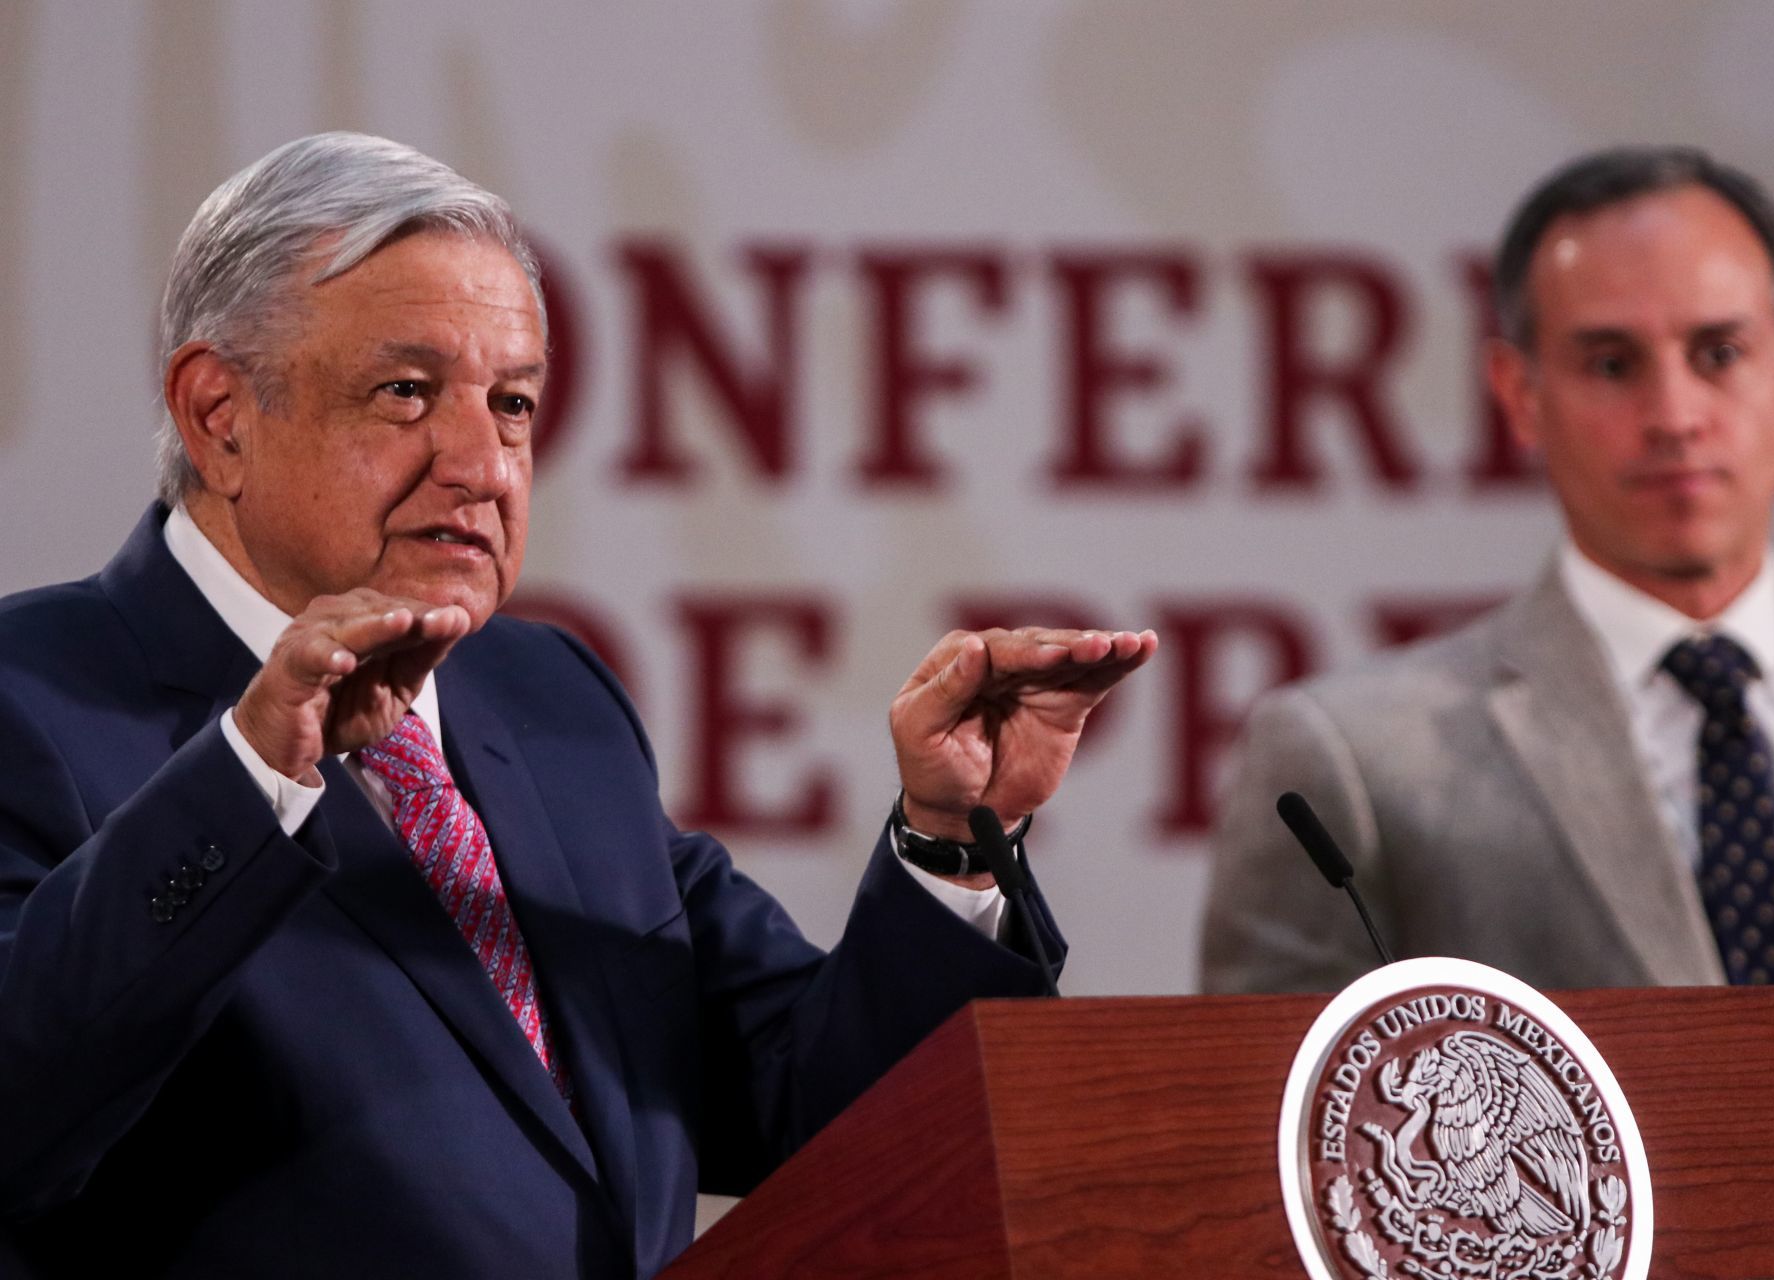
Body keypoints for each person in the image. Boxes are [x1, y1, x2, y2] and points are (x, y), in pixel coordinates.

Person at [0, 133, 1155, 1279]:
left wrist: (946, 841)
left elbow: (814, 1101)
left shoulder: (552, 701)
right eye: (404, 393)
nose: (482, 462)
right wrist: (254, 774)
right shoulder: (33, 701)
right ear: (218, 414)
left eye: (511, 402)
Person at [1202, 147, 1774, 1063]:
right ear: (1519, 395)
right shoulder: (1355, 764)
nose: (1674, 413)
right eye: (1613, 363)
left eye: (1719, 353)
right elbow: (1276, 1144)